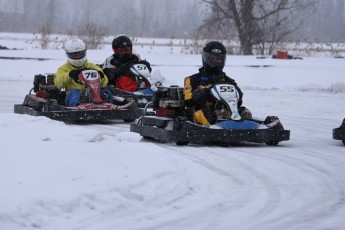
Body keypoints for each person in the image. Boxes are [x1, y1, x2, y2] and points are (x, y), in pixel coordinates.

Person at [184, 41, 252, 126]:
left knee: (241, 110)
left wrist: (238, 94)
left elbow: (239, 101)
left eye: (218, 59)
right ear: (206, 58)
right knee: (208, 112)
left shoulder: (228, 81)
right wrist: (201, 93)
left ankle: (242, 121)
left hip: (227, 109)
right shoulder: (192, 79)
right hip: (202, 110)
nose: (215, 61)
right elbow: (187, 100)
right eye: (213, 58)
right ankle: (221, 119)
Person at [54, 38, 112, 106]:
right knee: (75, 93)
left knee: (106, 92)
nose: (78, 57)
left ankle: (109, 106)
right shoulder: (63, 69)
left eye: (80, 54)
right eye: (75, 55)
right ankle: (77, 106)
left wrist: (101, 77)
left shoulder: (92, 67)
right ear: (68, 54)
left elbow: (104, 84)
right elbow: (58, 84)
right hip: (73, 95)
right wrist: (69, 75)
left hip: (94, 94)